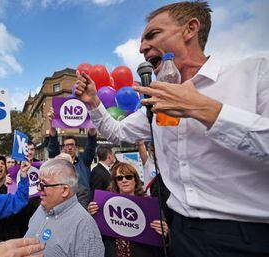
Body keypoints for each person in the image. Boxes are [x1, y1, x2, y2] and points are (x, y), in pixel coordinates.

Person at [75, 1, 269, 256]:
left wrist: (205, 109)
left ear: (190, 29)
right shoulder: (156, 102)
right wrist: (93, 102)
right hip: (182, 233)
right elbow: (118, 132)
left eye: (153, 35)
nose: (142, 47)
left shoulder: (255, 72)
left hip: (251, 234)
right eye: (142, 41)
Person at [24, 158, 104, 257]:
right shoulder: (42, 208)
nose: (38, 188)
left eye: (43, 185)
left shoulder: (85, 228)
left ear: (65, 190)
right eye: (38, 183)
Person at [88, 162, 168, 257]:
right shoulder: (104, 204)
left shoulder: (149, 205)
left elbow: (164, 239)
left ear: (135, 180)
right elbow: (94, 234)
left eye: (128, 177)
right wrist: (91, 215)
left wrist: (164, 233)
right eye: (119, 178)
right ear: (116, 182)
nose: (124, 180)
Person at [47, 107, 97, 207]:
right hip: (63, 204)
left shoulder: (84, 160)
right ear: (63, 148)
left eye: (72, 145)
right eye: (67, 145)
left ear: (76, 147)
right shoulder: (59, 162)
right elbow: (53, 144)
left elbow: (91, 142)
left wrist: (92, 122)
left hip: (84, 204)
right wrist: (52, 124)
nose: (69, 148)